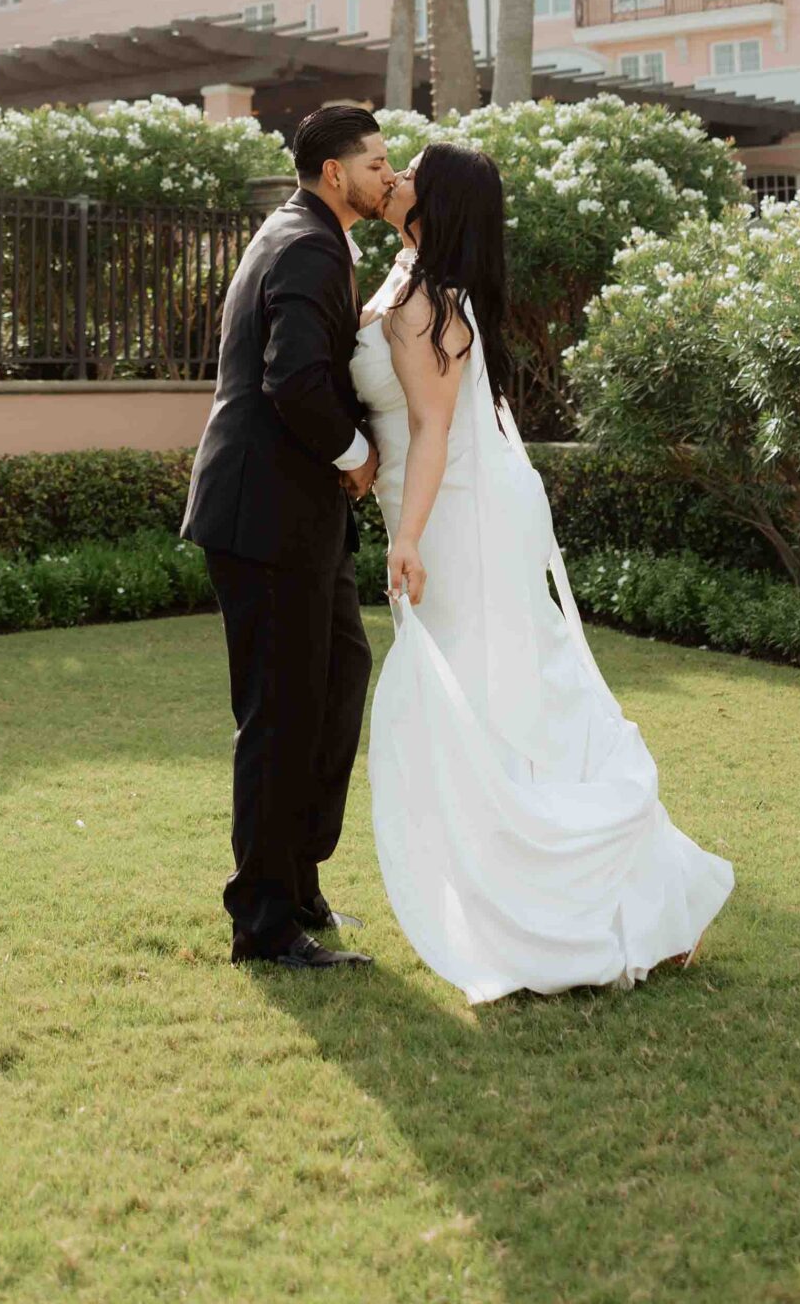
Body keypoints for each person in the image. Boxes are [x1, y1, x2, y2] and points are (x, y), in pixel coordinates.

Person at [356, 142, 735, 1002]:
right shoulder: (408, 277)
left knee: (498, 699)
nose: (395, 176)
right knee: (492, 692)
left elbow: (432, 429)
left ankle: (593, 901)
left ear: (434, 199)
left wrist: (407, 536)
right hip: (441, 501)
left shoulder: (426, 302)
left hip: (457, 515)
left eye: (408, 168)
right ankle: (596, 895)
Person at [181, 101, 393, 971]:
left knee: (338, 677)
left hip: (294, 518)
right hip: (266, 517)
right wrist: (355, 453)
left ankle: (297, 878)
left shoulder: (304, 233)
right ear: (334, 173)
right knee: (280, 715)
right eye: (376, 162)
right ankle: (263, 922)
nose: (388, 174)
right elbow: (294, 379)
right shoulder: (305, 243)